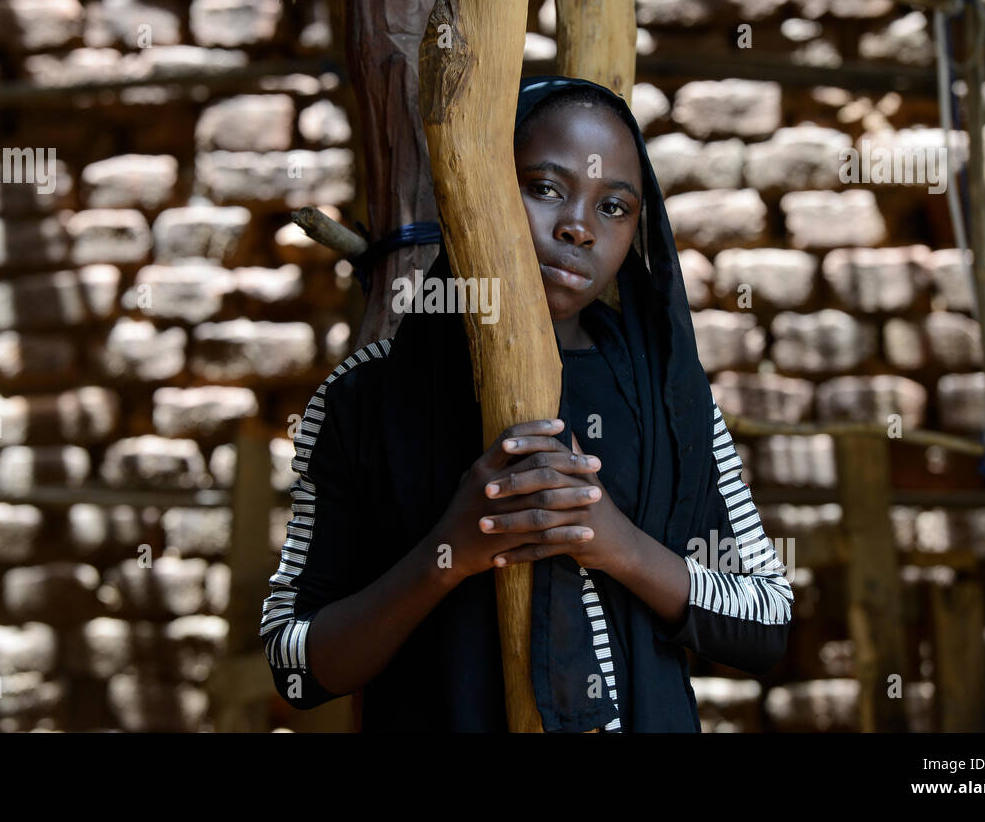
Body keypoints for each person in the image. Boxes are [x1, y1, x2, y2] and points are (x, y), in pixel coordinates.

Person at [260, 75, 793, 732]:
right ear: (479, 192)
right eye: (544, 188)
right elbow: (294, 662)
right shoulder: (366, 398)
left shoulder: (669, 401)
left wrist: (615, 543)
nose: (577, 227)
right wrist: (450, 549)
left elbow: (765, 620)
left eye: (614, 207)